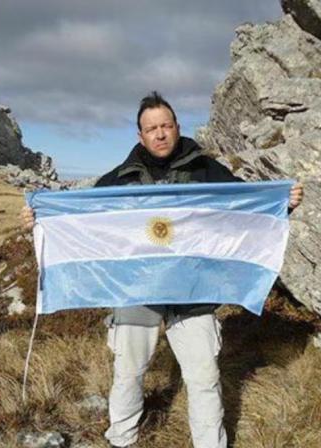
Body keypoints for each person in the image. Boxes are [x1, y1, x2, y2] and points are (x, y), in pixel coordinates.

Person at [20, 92, 303, 448]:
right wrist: (40, 217)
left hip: (195, 293)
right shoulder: (119, 179)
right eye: (151, 128)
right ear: (140, 136)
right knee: (128, 373)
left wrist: (281, 204)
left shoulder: (207, 170)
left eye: (166, 126)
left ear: (177, 127)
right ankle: (121, 439)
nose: (160, 134)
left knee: (203, 378)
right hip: (137, 290)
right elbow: (84, 221)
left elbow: (244, 213)